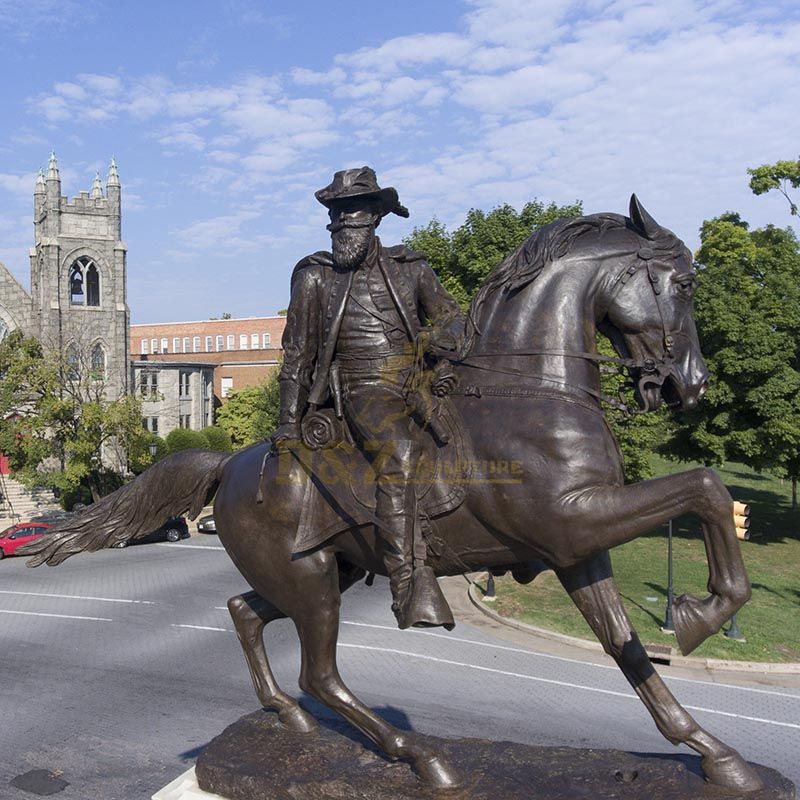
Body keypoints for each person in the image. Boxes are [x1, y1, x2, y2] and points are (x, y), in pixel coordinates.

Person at [272, 166, 465, 629]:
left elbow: (450, 316)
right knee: (398, 452)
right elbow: (296, 351)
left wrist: (442, 348)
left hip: (417, 382)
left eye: (351, 212)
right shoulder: (315, 276)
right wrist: (286, 422)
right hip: (363, 389)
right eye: (335, 213)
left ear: (376, 216)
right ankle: (408, 584)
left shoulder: (411, 269)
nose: (341, 224)